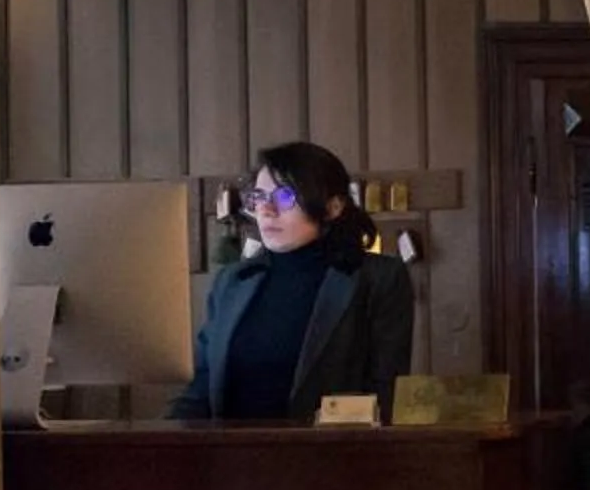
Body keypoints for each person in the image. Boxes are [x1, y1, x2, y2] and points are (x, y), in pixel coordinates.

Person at [166, 140, 414, 421]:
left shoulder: (377, 278)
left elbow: (385, 392)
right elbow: (201, 385)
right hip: (230, 457)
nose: (267, 210)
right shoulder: (232, 281)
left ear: (333, 207)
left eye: (285, 197)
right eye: (259, 197)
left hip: (332, 457)